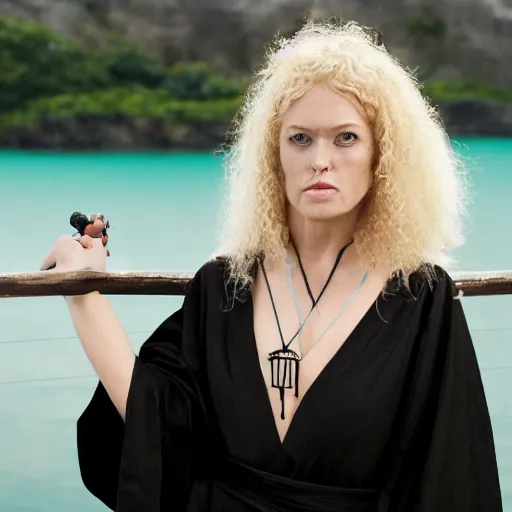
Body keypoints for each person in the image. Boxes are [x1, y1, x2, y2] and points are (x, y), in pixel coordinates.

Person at [40, 19, 503, 512]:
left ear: (382, 155)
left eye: (345, 138)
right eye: (300, 138)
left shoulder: (422, 298)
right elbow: (157, 428)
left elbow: (450, 479)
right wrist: (83, 295)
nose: (319, 160)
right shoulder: (223, 288)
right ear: (273, 155)